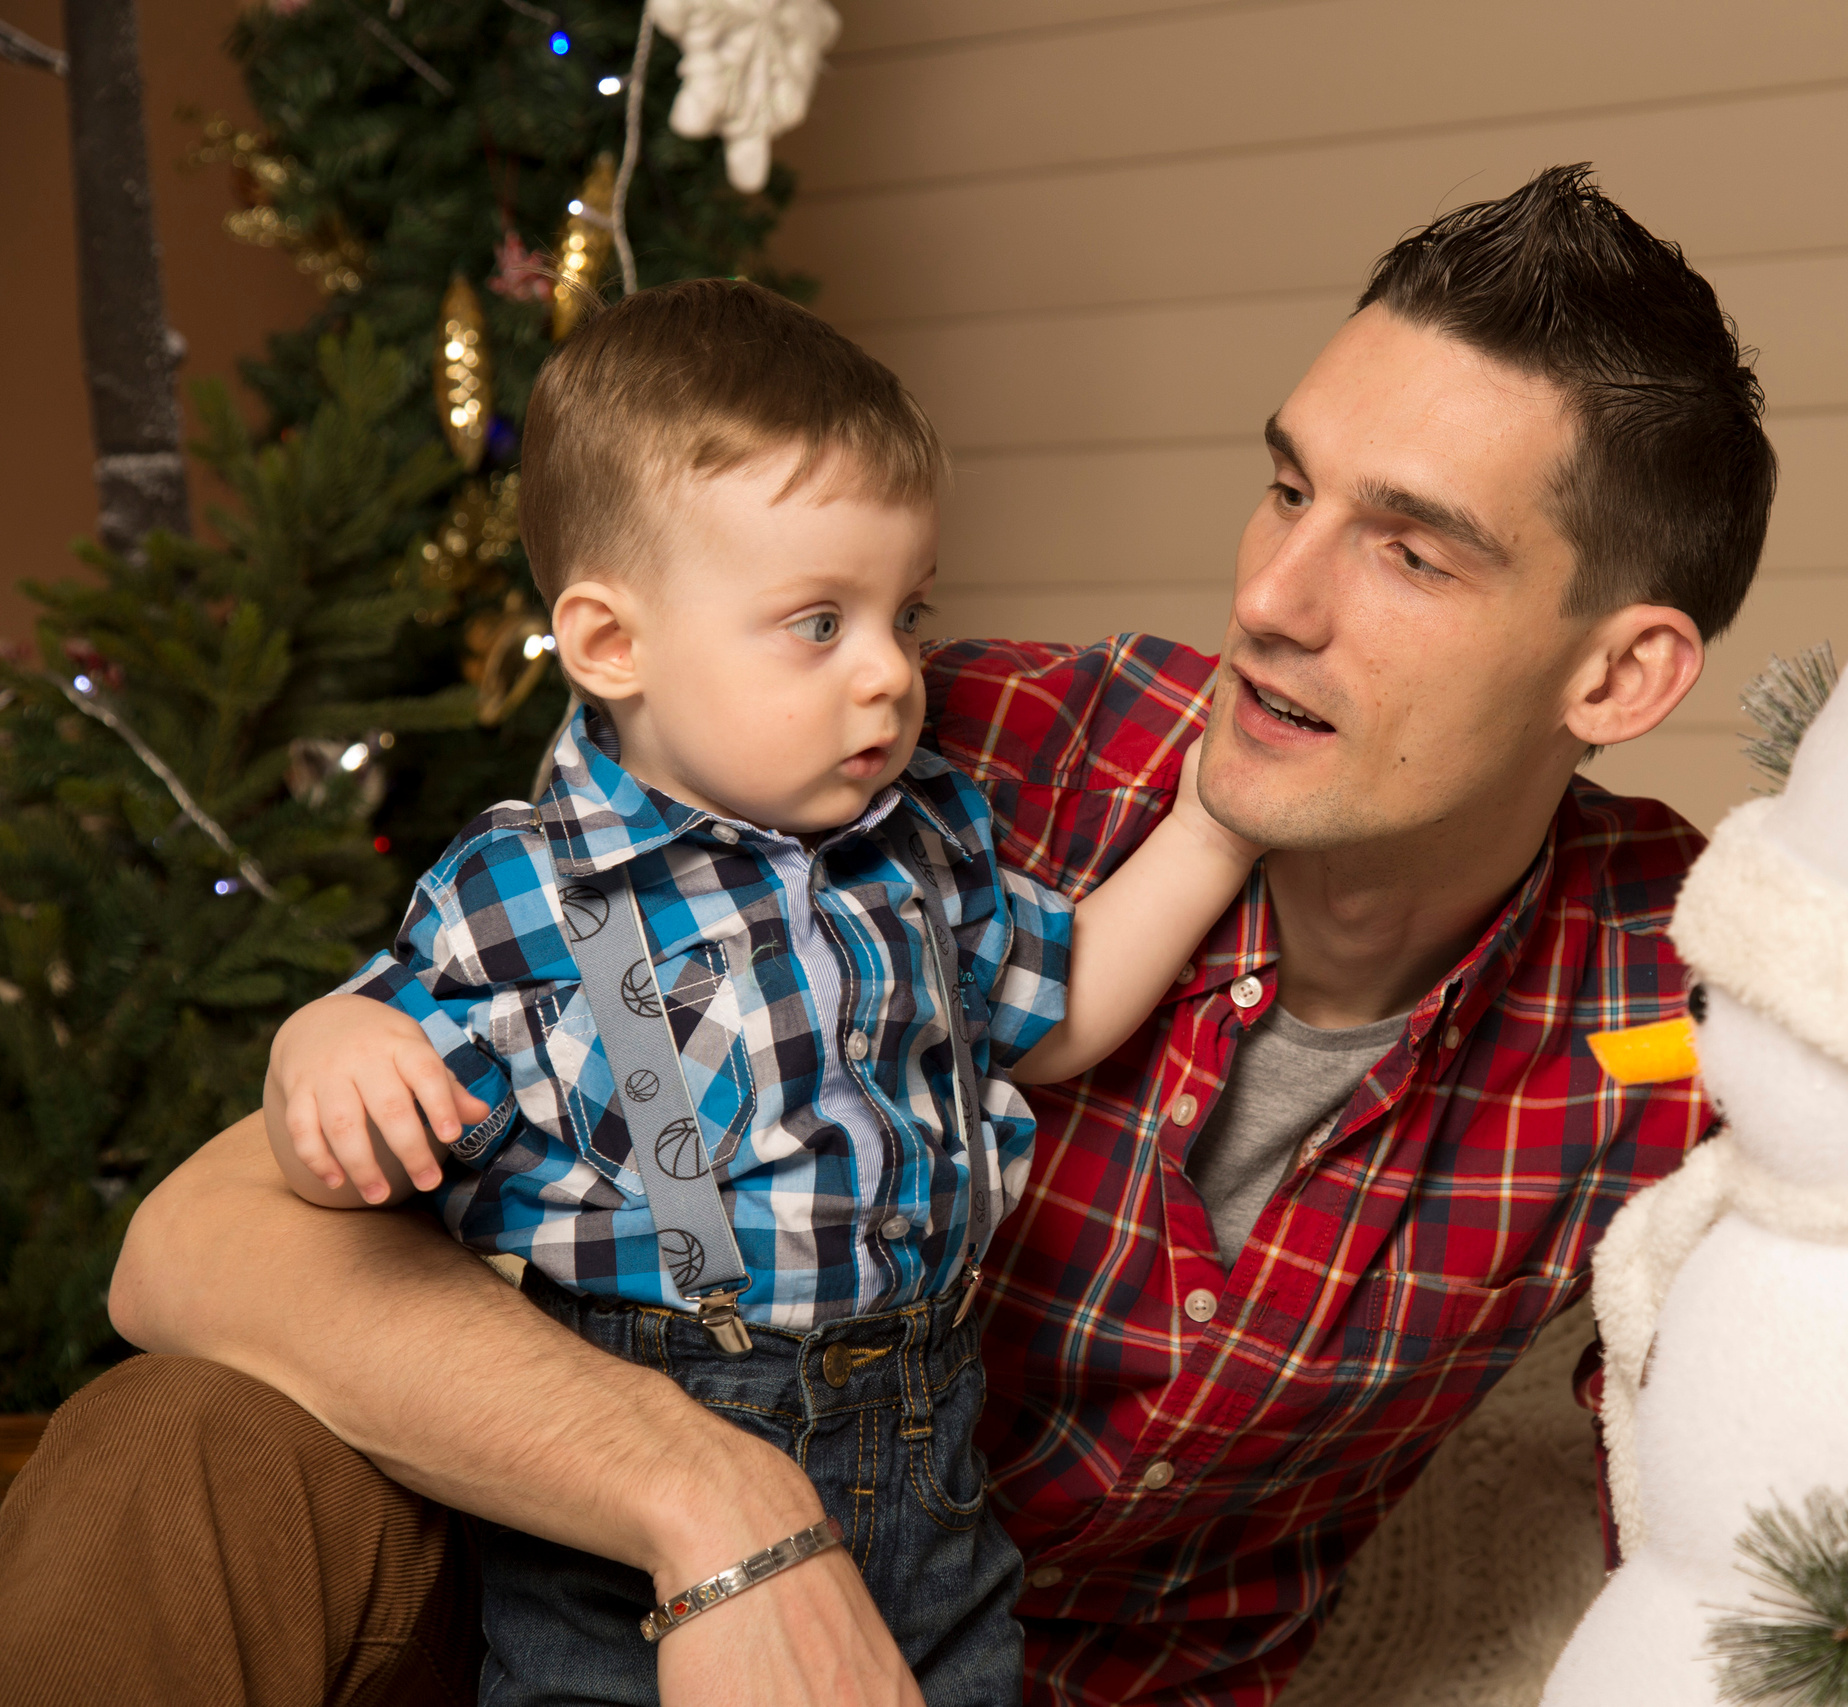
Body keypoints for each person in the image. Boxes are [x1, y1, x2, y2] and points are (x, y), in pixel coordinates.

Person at [11, 164, 1775, 1707]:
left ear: (1620, 674)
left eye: (1410, 553)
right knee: (187, 1455)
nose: (1271, 597)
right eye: (1288, 487)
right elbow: (190, 1247)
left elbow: (1811, 1510)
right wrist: (716, 1512)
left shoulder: (1678, 996)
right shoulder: (911, 767)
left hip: (1028, 1659)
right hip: (596, 1603)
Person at [250, 277, 1263, 1703]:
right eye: (818, 624)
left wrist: (1217, 824)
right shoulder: (533, 890)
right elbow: (361, 1116)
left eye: (907, 615)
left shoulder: (918, 840)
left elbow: (1066, 1011)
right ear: (614, 645)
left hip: (924, 1444)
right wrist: (324, 1040)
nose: (891, 677)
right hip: (640, 1474)